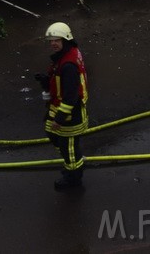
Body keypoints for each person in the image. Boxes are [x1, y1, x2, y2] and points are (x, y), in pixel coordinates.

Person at [34, 21, 89, 191]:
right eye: (51, 41)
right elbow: (61, 83)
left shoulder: (68, 65)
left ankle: (73, 179)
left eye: (56, 40)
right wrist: (46, 81)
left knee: (69, 149)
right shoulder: (67, 55)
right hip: (60, 107)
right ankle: (70, 163)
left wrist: (60, 118)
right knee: (51, 132)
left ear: (66, 39)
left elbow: (71, 96)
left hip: (70, 115)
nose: (53, 44)